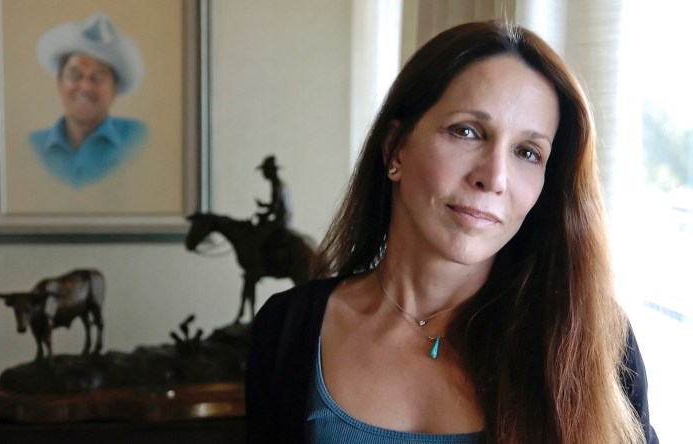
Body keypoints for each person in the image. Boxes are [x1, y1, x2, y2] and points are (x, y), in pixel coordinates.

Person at [246, 20, 658, 444]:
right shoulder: (288, 329)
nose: (493, 177)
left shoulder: (591, 340)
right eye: (467, 131)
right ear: (395, 148)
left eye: (527, 153)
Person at [29, 13, 147, 188]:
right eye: (75, 75)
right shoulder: (33, 147)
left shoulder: (137, 140)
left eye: (98, 77)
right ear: (59, 83)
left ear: (115, 89)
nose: (84, 87)